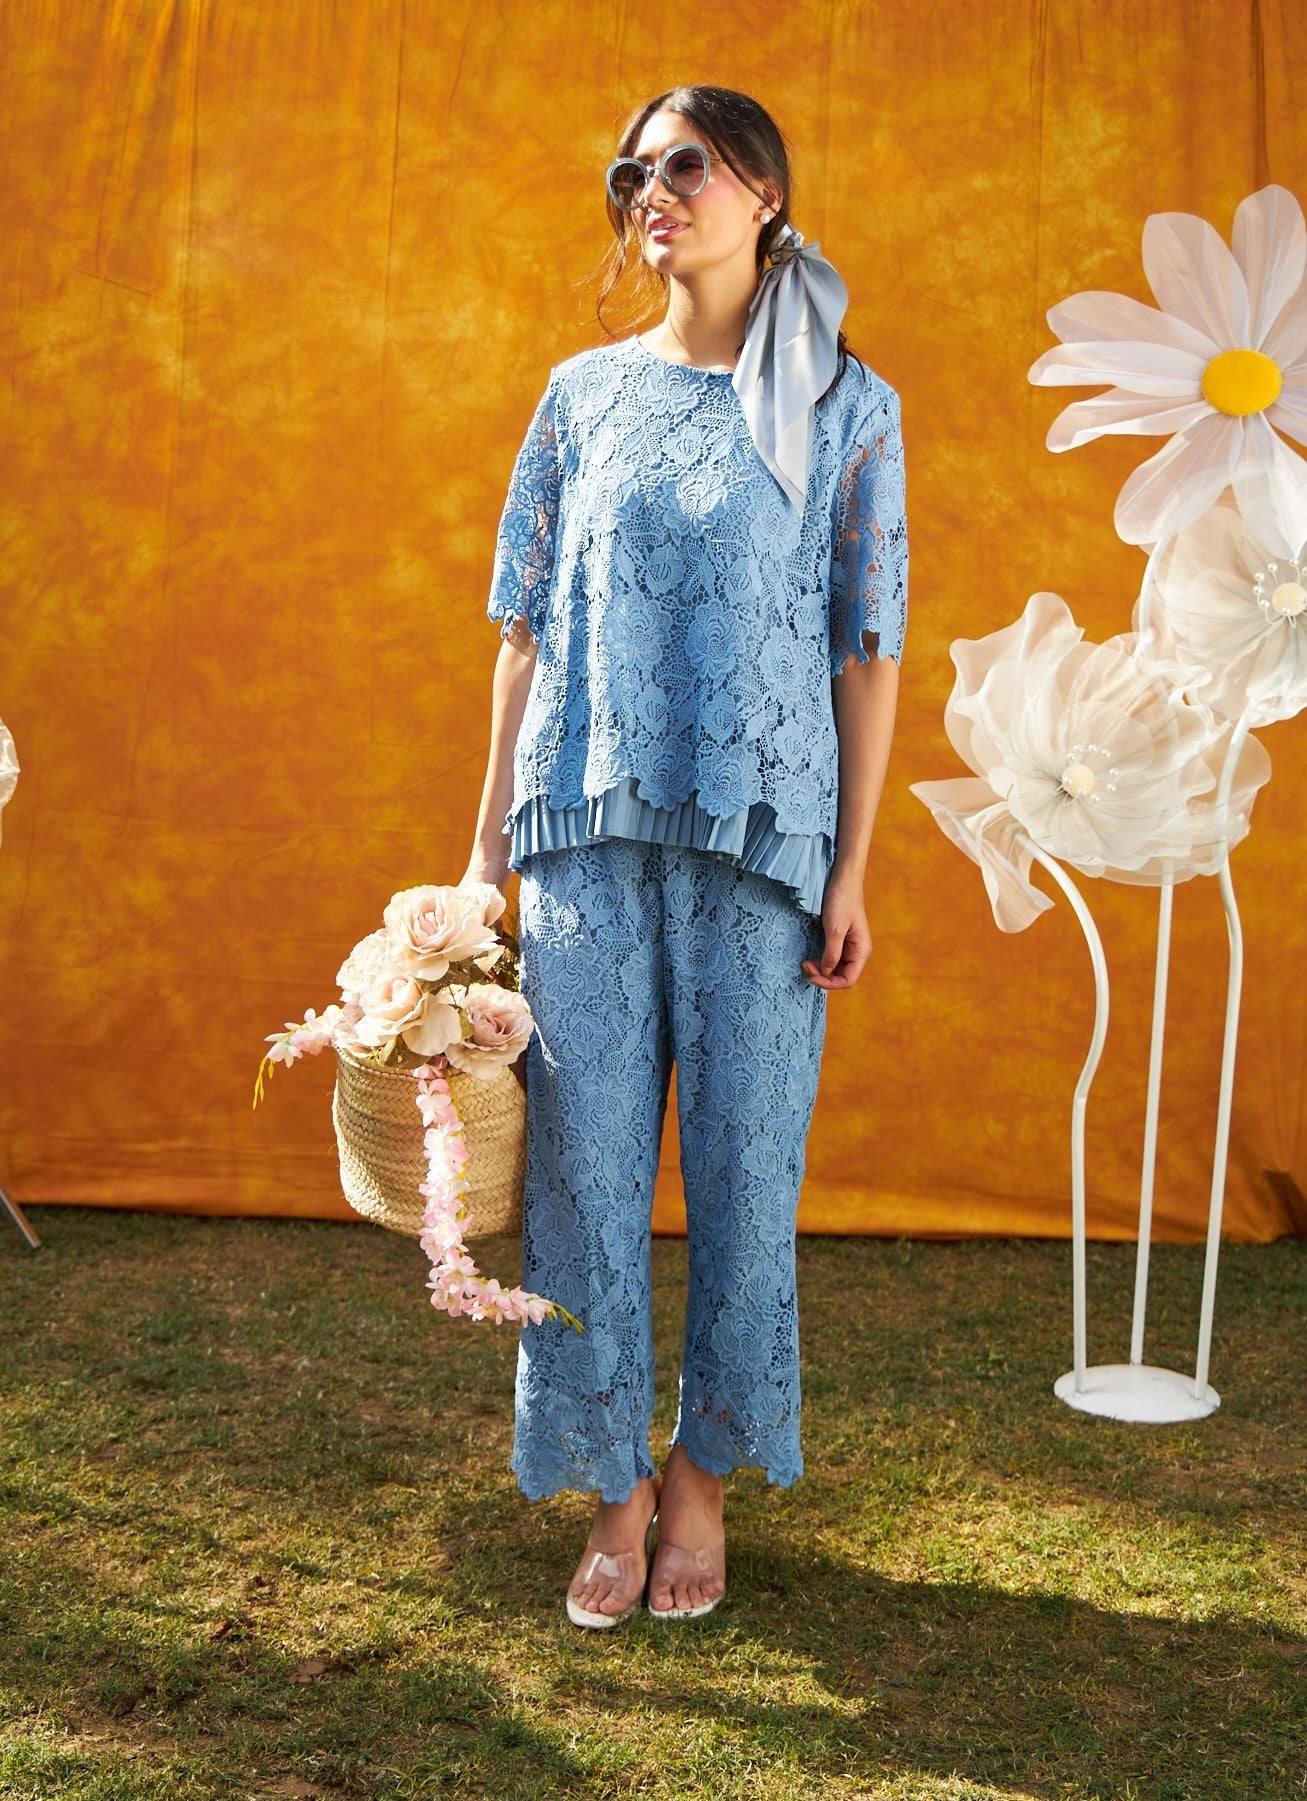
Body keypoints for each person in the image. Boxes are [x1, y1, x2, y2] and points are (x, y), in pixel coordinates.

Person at [461, 83, 906, 1627]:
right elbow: (522, 633)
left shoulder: (851, 406)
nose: (652, 192)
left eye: (687, 166)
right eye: (631, 173)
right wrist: (480, 859)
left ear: (766, 193)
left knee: (745, 1179)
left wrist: (851, 869)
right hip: (583, 845)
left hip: (763, 855)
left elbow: (868, 648)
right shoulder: (579, 396)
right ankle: (614, 1489)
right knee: (581, 1189)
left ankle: (703, 1478)